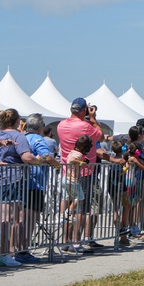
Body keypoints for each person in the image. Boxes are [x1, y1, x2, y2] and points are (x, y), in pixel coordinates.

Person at [0, 108, 42, 268]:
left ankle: (0, 253)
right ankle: (3, 254)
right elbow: (26, 157)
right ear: (17, 121)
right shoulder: (18, 136)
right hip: (13, 178)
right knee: (8, 218)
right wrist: (38, 159)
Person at [55, 98, 102, 252]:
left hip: (66, 172)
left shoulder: (61, 125)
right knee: (81, 207)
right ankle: (77, 241)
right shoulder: (86, 125)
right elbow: (100, 135)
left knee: (66, 208)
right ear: (84, 111)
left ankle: (65, 241)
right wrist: (93, 118)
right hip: (84, 172)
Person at [16, 114, 57, 263]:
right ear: (40, 128)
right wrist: (57, 165)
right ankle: (23, 250)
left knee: (21, 218)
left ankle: (19, 248)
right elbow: (46, 156)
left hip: (22, 182)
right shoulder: (38, 139)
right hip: (35, 183)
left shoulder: (22, 138)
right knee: (30, 219)